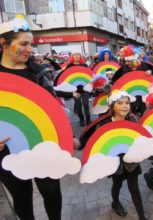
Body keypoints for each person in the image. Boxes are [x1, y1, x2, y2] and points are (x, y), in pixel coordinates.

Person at [0, 16, 62, 220]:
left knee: (52, 193)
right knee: (22, 198)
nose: (29, 49)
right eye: (23, 44)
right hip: (7, 151)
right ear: (3, 43)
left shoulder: (39, 74)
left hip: (42, 145)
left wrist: (63, 136)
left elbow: (54, 109)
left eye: (31, 44)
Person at [94, 91, 147, 220]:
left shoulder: (133, 119)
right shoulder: (104, 124)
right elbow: (98, 145)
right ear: (112, 106)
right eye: (120, 103)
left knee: (134, 188)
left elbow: (140, 138)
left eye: (127, 103)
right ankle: (115, 202)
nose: (125, 106)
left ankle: (142, 216)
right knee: (117, 185)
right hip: (115, 164)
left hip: (131, 162)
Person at [66, 52, 91, 126]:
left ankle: (88, 119)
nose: (76, 56)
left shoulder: (84, 65)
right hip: (75, 89)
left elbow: (89, 75)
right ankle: (81, 119)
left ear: (80, 56)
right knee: (78, 105)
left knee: (86, 105)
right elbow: (66, 77)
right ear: (72, 57)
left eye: (78, 54)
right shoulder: (69, 66)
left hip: (85, 88)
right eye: (75, 55)